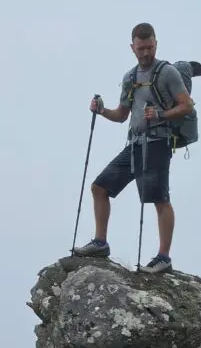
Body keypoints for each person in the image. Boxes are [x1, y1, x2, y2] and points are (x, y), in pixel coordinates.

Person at [73, 23, 194, 273]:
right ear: (132, 47)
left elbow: (187, 106)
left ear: (156, 44)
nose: (146, 53)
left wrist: (160, 114)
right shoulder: (130, 78)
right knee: (99, 187)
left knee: (159, 198)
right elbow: (121, 115)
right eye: (141, 48)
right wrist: (101, 110)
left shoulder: (167, 73)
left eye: (149, 47)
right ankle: (100, 243)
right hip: (135, 144)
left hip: (159, 142)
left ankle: (163, 257)